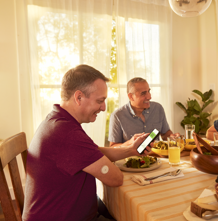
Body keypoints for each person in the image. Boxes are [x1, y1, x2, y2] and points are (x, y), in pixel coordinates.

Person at [22, 65, 152, 221]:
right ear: (79, 97)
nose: (104, 108)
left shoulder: (58, 121)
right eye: (100, 101)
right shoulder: (68, 134)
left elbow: (92, 153)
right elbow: (115, 178)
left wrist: (129, 150)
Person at [108, 77, 179, 148]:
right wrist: (130, 142)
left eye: (149, 91)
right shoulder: (117, 115)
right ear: (131, 96)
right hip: (132, 158)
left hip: (158, 157)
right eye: (143, 93)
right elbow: (113, 147)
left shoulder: (158, 108)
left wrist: (172, 137)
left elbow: (165, 133)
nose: (149, 97)